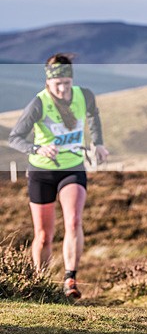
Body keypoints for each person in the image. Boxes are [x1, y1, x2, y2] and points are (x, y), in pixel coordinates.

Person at [8, 53, 109, 299]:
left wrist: (98, 143)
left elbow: (93, 115)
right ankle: (38, 282)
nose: (63, 89)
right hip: (41, 172)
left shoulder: (84, 96)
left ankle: (70, 279)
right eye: (57, 84)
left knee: (73, 221)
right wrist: (37, 148)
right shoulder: (39, 103)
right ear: (48, 82)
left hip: (72, 168)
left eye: (67, 83)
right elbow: (15, 137)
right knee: (44, 235)